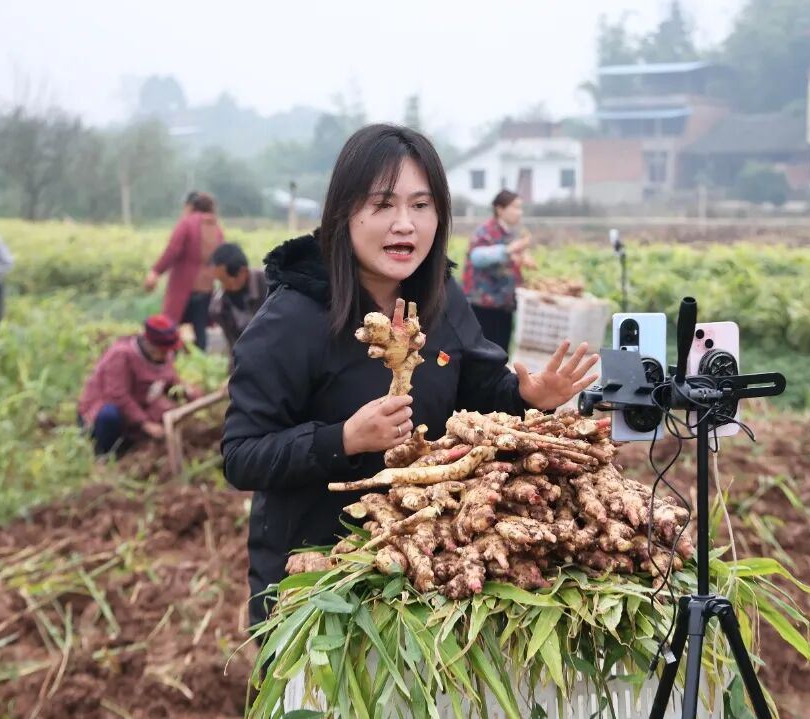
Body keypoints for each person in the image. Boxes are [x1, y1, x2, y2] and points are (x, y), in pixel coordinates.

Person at [221, 124, 598, 629]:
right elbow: (242, 456)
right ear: (343, 214)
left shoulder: (441, 296)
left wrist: (529, 396)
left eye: (421, 206)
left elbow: (481, 396)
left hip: (424, 578)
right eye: (383, 205)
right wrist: (343, 439)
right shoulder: (290, 320)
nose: (405, 225)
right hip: (317, 586)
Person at [77, 314, 201, 455]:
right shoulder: (122, 355)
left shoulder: (165, 355)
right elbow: (117, 396)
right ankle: (105, 453)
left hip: (140, 404)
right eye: (163, 351)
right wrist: (146, 424)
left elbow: (170, 380)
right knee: (109, 415)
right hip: (104, 412)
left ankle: (132, 444)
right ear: (152, 346)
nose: (167, 354)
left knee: (166, 407)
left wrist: (189, 392)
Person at [144, 192, 225, 351]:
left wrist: (156, 272)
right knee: (200, 330)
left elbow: (172, 250)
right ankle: (201, 363)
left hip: (183, 286)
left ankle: (169, 361)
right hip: (206, 288)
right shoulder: (217, 229)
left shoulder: (187, 224)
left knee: (170, 327)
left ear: (190, 206)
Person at [461, 189, 534, 354]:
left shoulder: (509, 233)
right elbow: (478, 257)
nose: (519, 213)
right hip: (484, 304)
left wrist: (521, 258)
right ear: (500, 209)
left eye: (521, 208)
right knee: (485, 353)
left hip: (503, 304)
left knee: (501, 353)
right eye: (515, 207)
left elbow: (509, 260)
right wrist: (508, 250)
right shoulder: (486, 231)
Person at [207, 243, 268, 350]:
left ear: (243, 271)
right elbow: (235, 346)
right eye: (220, 281)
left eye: (225, 280)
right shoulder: (219, 308)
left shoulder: (269, 283)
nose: (223, 286)